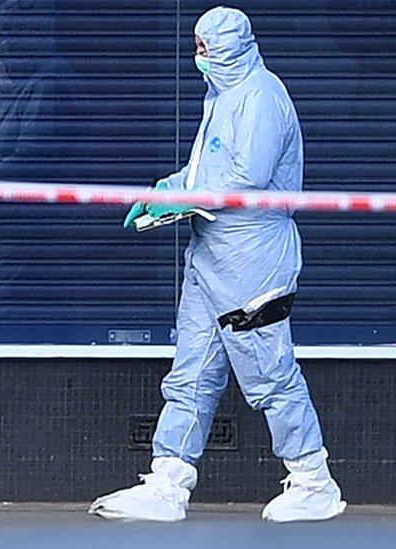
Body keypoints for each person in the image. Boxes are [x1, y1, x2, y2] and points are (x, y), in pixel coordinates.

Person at [91, 7, 345, 523]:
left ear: (230, 47)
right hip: (211, 259)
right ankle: (168, 482)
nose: (198, 56)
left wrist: (182, 196)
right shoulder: (224, 96)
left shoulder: (262, 96)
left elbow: (246, 176)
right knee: (191, 374)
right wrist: (168, 187)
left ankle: (313, 480)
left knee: (270, 374)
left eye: (205, 47)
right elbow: (210, 166)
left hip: (254, 264)